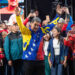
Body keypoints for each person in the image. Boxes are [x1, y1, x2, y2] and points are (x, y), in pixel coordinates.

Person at [15, 5, 63, 75]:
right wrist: (17, 16)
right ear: (31, 24)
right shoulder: (26, 31)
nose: (37, 27)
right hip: (28, 61)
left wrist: (58, 15)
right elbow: (21, 26)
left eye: (38, 25)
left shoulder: (41, 31)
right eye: (35, 25)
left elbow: (51, 25)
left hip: (40, 61)